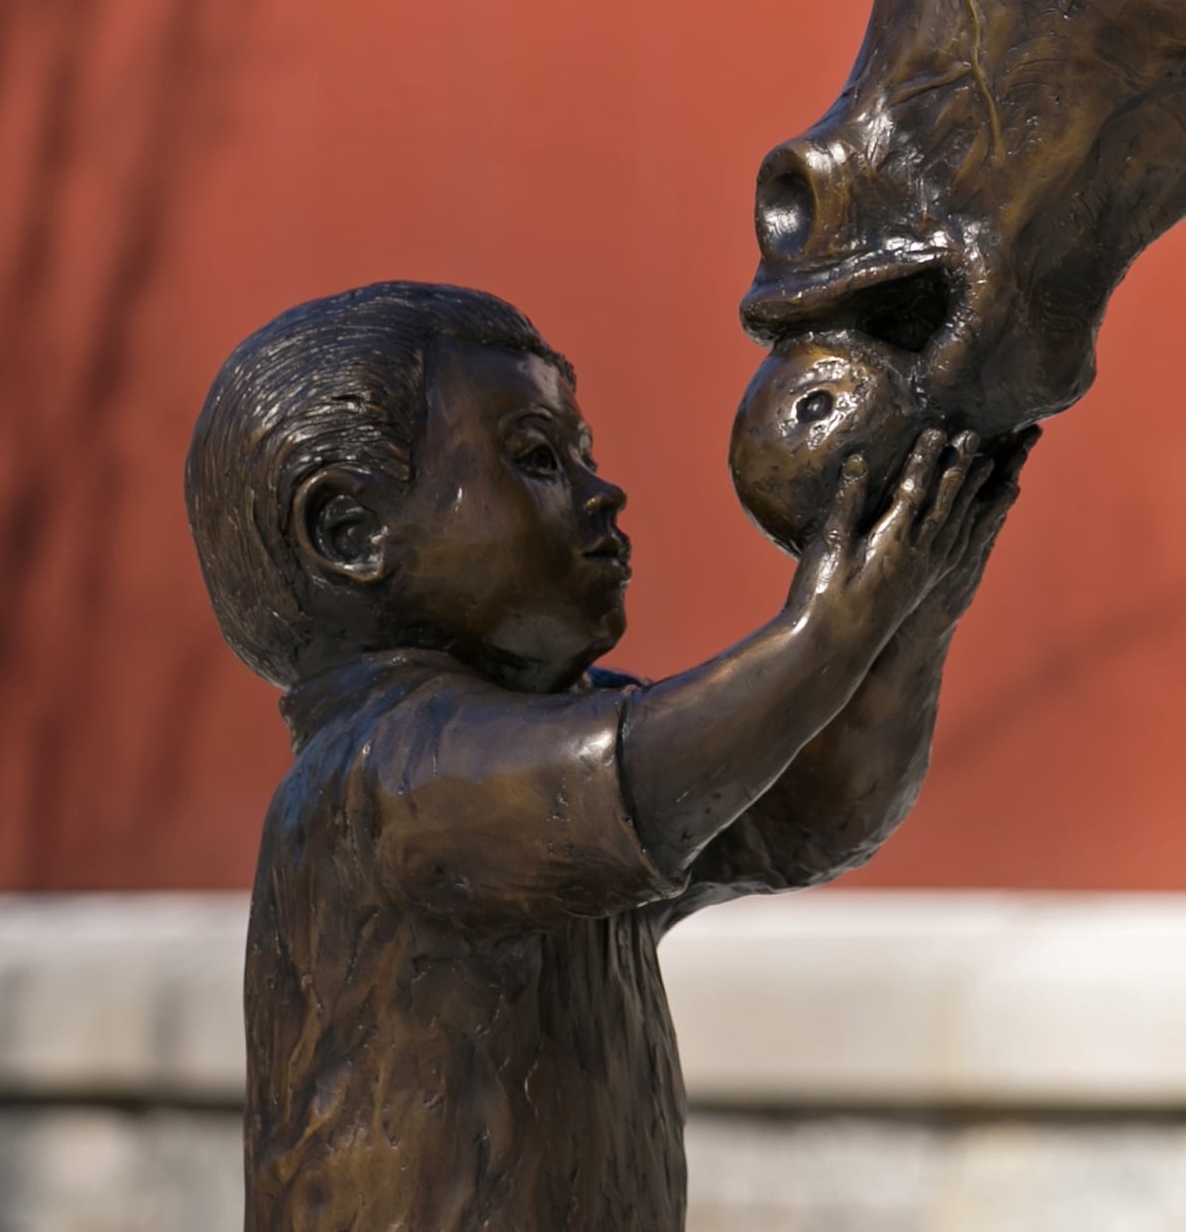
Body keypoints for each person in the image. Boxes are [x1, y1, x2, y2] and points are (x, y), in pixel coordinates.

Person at [184, 280, 1029, 1231]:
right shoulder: (387, 774)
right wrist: (825, 633)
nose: (602, 492)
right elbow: (647, 781)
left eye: (582, 453)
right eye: (538, 457)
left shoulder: (571, 734)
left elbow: (815, 809)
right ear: (351, 531)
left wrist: (917, 609)